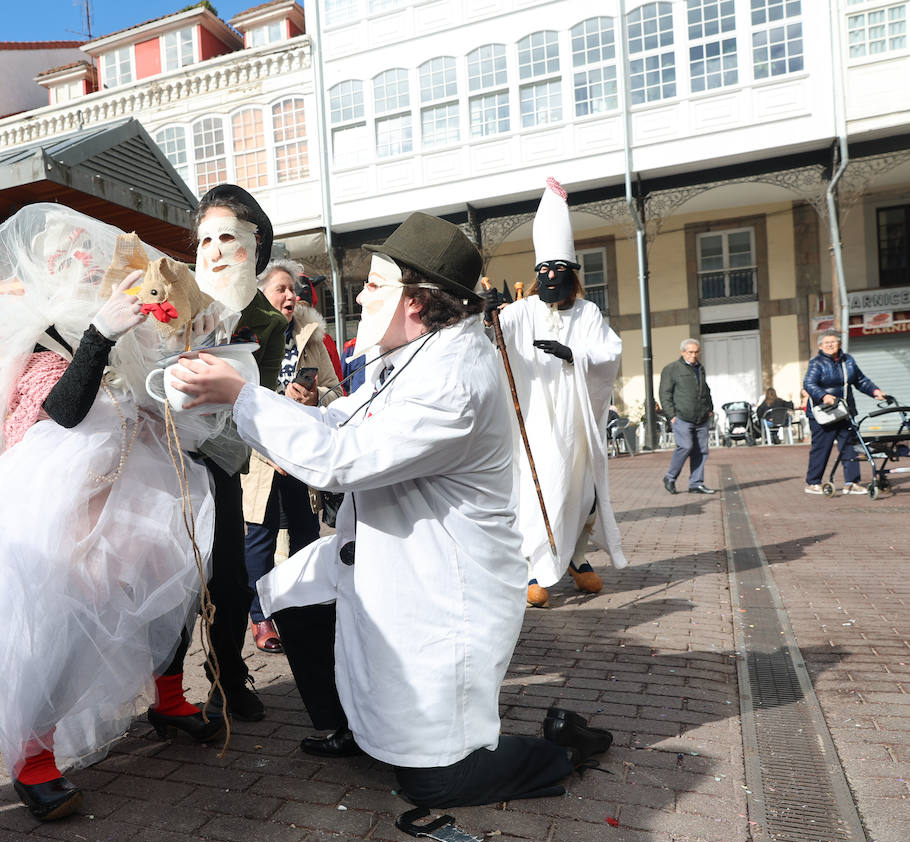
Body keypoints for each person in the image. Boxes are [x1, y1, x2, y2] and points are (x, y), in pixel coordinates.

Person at [169, 212, 613, 807]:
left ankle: (565, 749)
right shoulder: (410, 354)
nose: (360, 294)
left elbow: (340, 457)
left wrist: (242, 396)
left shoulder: (454, 376)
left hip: (442, 584)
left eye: (375, 284)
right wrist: (254, 396)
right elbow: (340, 420)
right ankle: (348, 725)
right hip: (389, 550)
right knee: (293, 590)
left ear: (419, 300)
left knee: (434, 782)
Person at [0, 204, 227, 822]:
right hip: (58, 499)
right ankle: (34, 753)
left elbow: (151, 399)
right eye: (74, 259)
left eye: (93, 260)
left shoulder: (131, 328)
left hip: (135, 485)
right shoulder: (38, 335)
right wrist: (98, 334)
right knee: (61, 617)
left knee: (170, 588)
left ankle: (169, 698)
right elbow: (63, 411)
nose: (88, 268)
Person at [489, 178, 626, 609]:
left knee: (580, 491)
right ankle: (534, 566)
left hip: (575, 420)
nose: (549, 278)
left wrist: (574, 354)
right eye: (543, 272)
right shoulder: (525, 310)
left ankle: (576, 558)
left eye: (558, 271)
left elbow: (610, 352)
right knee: (540, 487)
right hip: (534, 419)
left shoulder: (588, 312)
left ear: (572, 275)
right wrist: (487, 310)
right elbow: (495, 334)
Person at [191, 185, 289, 724]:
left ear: (256, 246)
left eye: (228, 236)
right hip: (165, 458)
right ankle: (165, 689)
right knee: (171, 574)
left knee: (228, 576)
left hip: (223, 460)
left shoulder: (268, 322)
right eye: (204, 239)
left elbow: (257, 399)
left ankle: (227, 676)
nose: (215, 250)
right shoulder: (174, 299)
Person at [241, 259, 341, 653]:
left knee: (306, 533)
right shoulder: (246, 334)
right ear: (261, 292)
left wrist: (317, 398)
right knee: (260, 539)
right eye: (282, 288)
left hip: (302, 453)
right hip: (261, 454)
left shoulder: (311, 336)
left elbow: (336, 389)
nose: (291, 296)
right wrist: (279, 402)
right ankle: (259, 616)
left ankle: (300, 605)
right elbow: (237, 398)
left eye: (294, 289)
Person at [803, 332, 886, 495]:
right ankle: (813, 482)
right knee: (821, 448)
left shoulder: (848, 360)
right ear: (820, 346)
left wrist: (875, 391)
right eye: (826, 342)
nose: (830, 345)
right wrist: (824, 396)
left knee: (850, 447)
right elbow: (809, 384)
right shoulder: (816, 363)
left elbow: (861, 380)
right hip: (823, 413)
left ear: (839, 344)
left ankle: (852, 482)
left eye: (833, 342)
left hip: (845, 411)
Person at [659, 339, 717, 495]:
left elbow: (705, 389)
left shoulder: (700, 368)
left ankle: (696, 484)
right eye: (690, 352)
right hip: (682, 417)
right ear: (682, 352)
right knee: (685, 446)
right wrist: (671, 415)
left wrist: (710, 408)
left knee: (701, 450)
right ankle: (670, 478)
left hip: (701, 417)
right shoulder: (672, 369)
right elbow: (665, 394)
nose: (694, 355)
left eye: (696, 352)